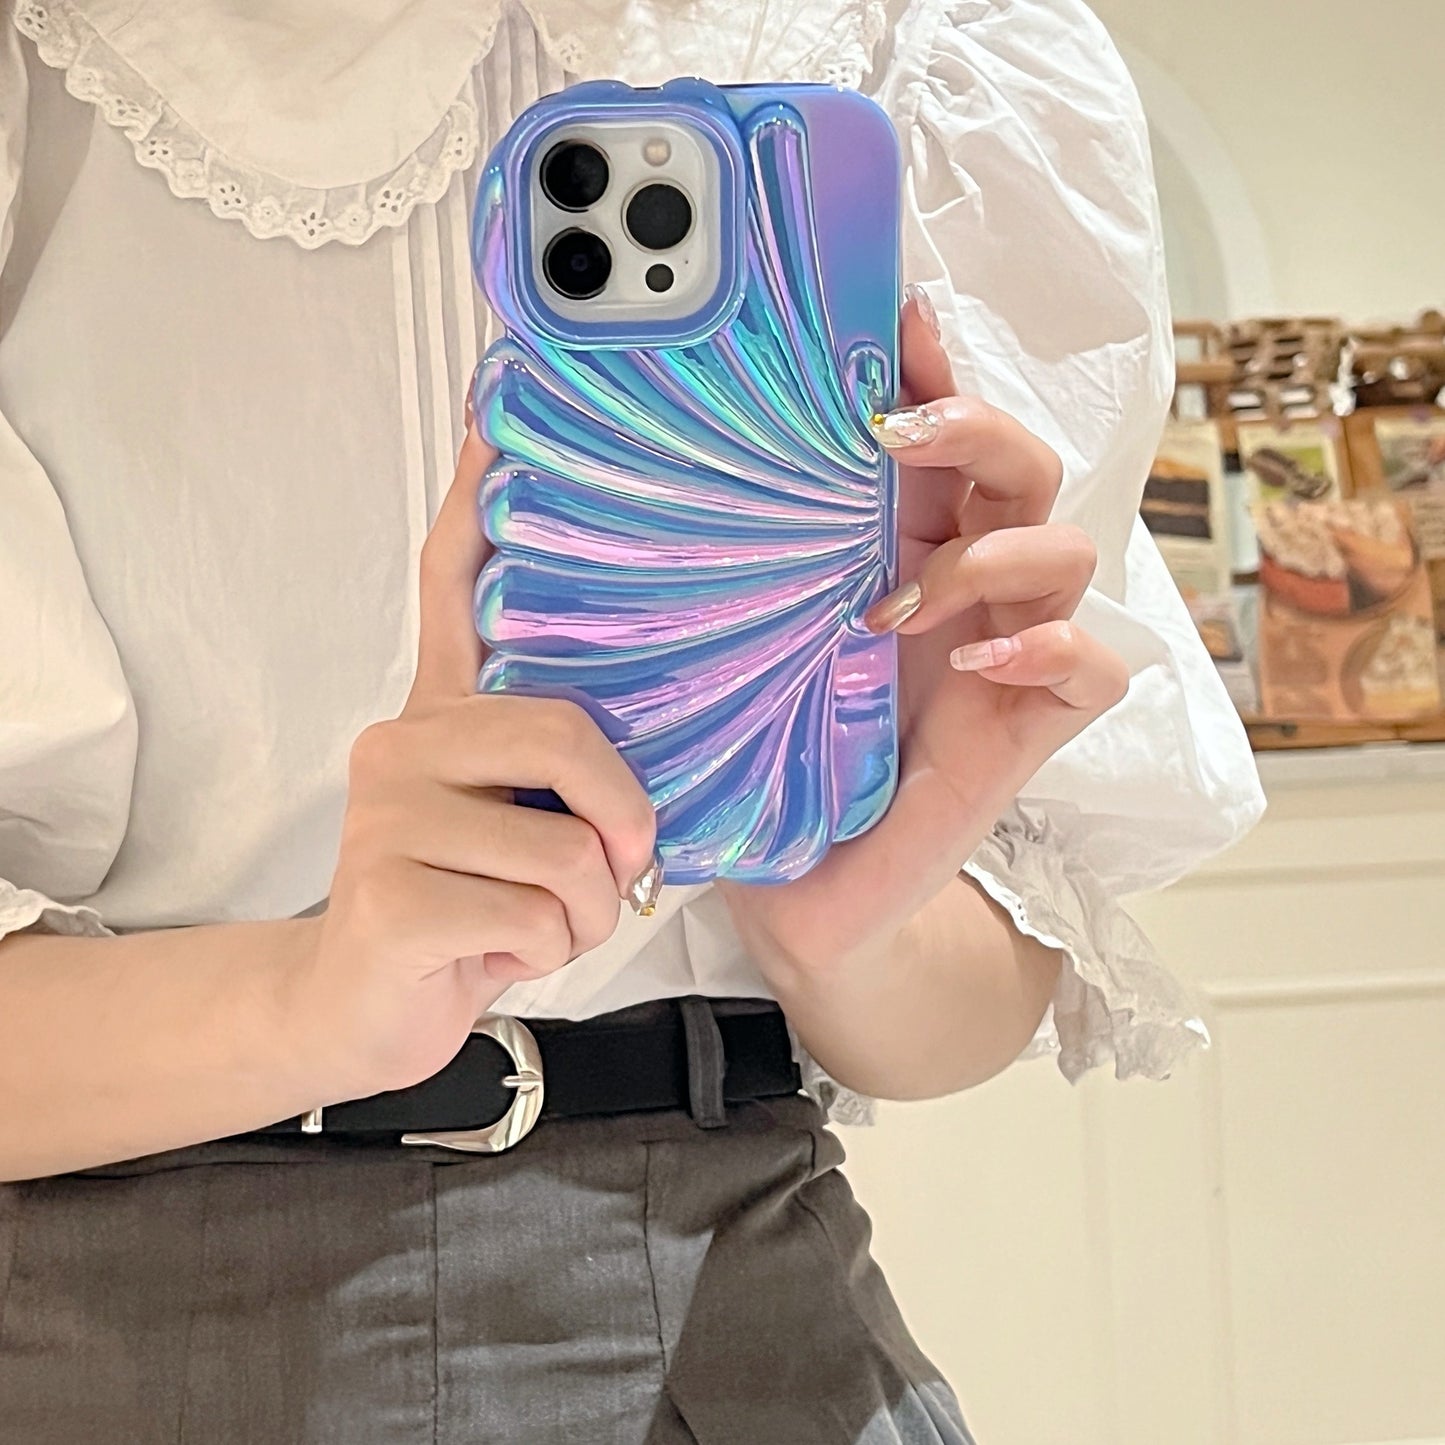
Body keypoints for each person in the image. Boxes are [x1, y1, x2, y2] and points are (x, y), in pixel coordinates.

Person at [0, 0, 1263, 1439]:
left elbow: (971, 1006)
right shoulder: (51, 68)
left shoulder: (917, 53)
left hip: (749, 1294)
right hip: (124, 1322)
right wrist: (312, 997)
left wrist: (843, 926)